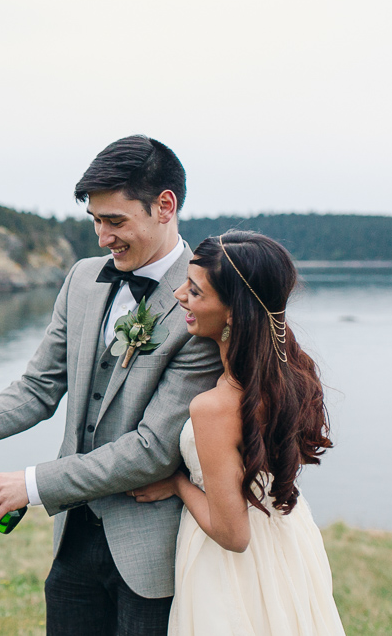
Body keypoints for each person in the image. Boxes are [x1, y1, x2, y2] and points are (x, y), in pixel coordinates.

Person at [0, 135, 222, 635]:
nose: (102, 237)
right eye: (95, 220)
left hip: (154, 550)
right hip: (72, 544)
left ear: (165, 206)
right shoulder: (82, 279)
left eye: (115, 221)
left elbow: (154, 448)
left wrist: (28, 486)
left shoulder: (203, 300)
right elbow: (37, 388)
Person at [128, 231, 346, 635]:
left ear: (232, 312)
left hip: (229, 570)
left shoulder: (214, 407)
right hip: (287, 543)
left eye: (195, 291)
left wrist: (177, 483)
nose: (179, 295)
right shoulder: (287, 373)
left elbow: (233, 534)